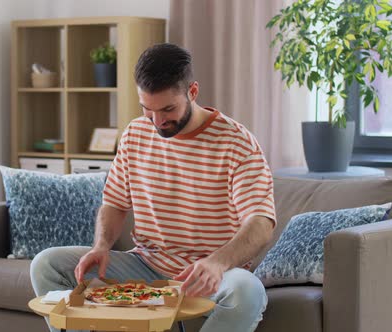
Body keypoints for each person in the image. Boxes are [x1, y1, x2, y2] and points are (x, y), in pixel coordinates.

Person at [30, 43, 276, 332]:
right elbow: (115, 202)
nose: (158, 122)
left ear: (192, 92)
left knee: (248, 292)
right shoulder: (135, 134)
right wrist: (101, 246)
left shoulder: (237, 143)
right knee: (46, 264)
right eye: (147, 109)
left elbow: (261, 223)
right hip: (145, 266)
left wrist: (217, 263)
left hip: (212, 275)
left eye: (168, 109)